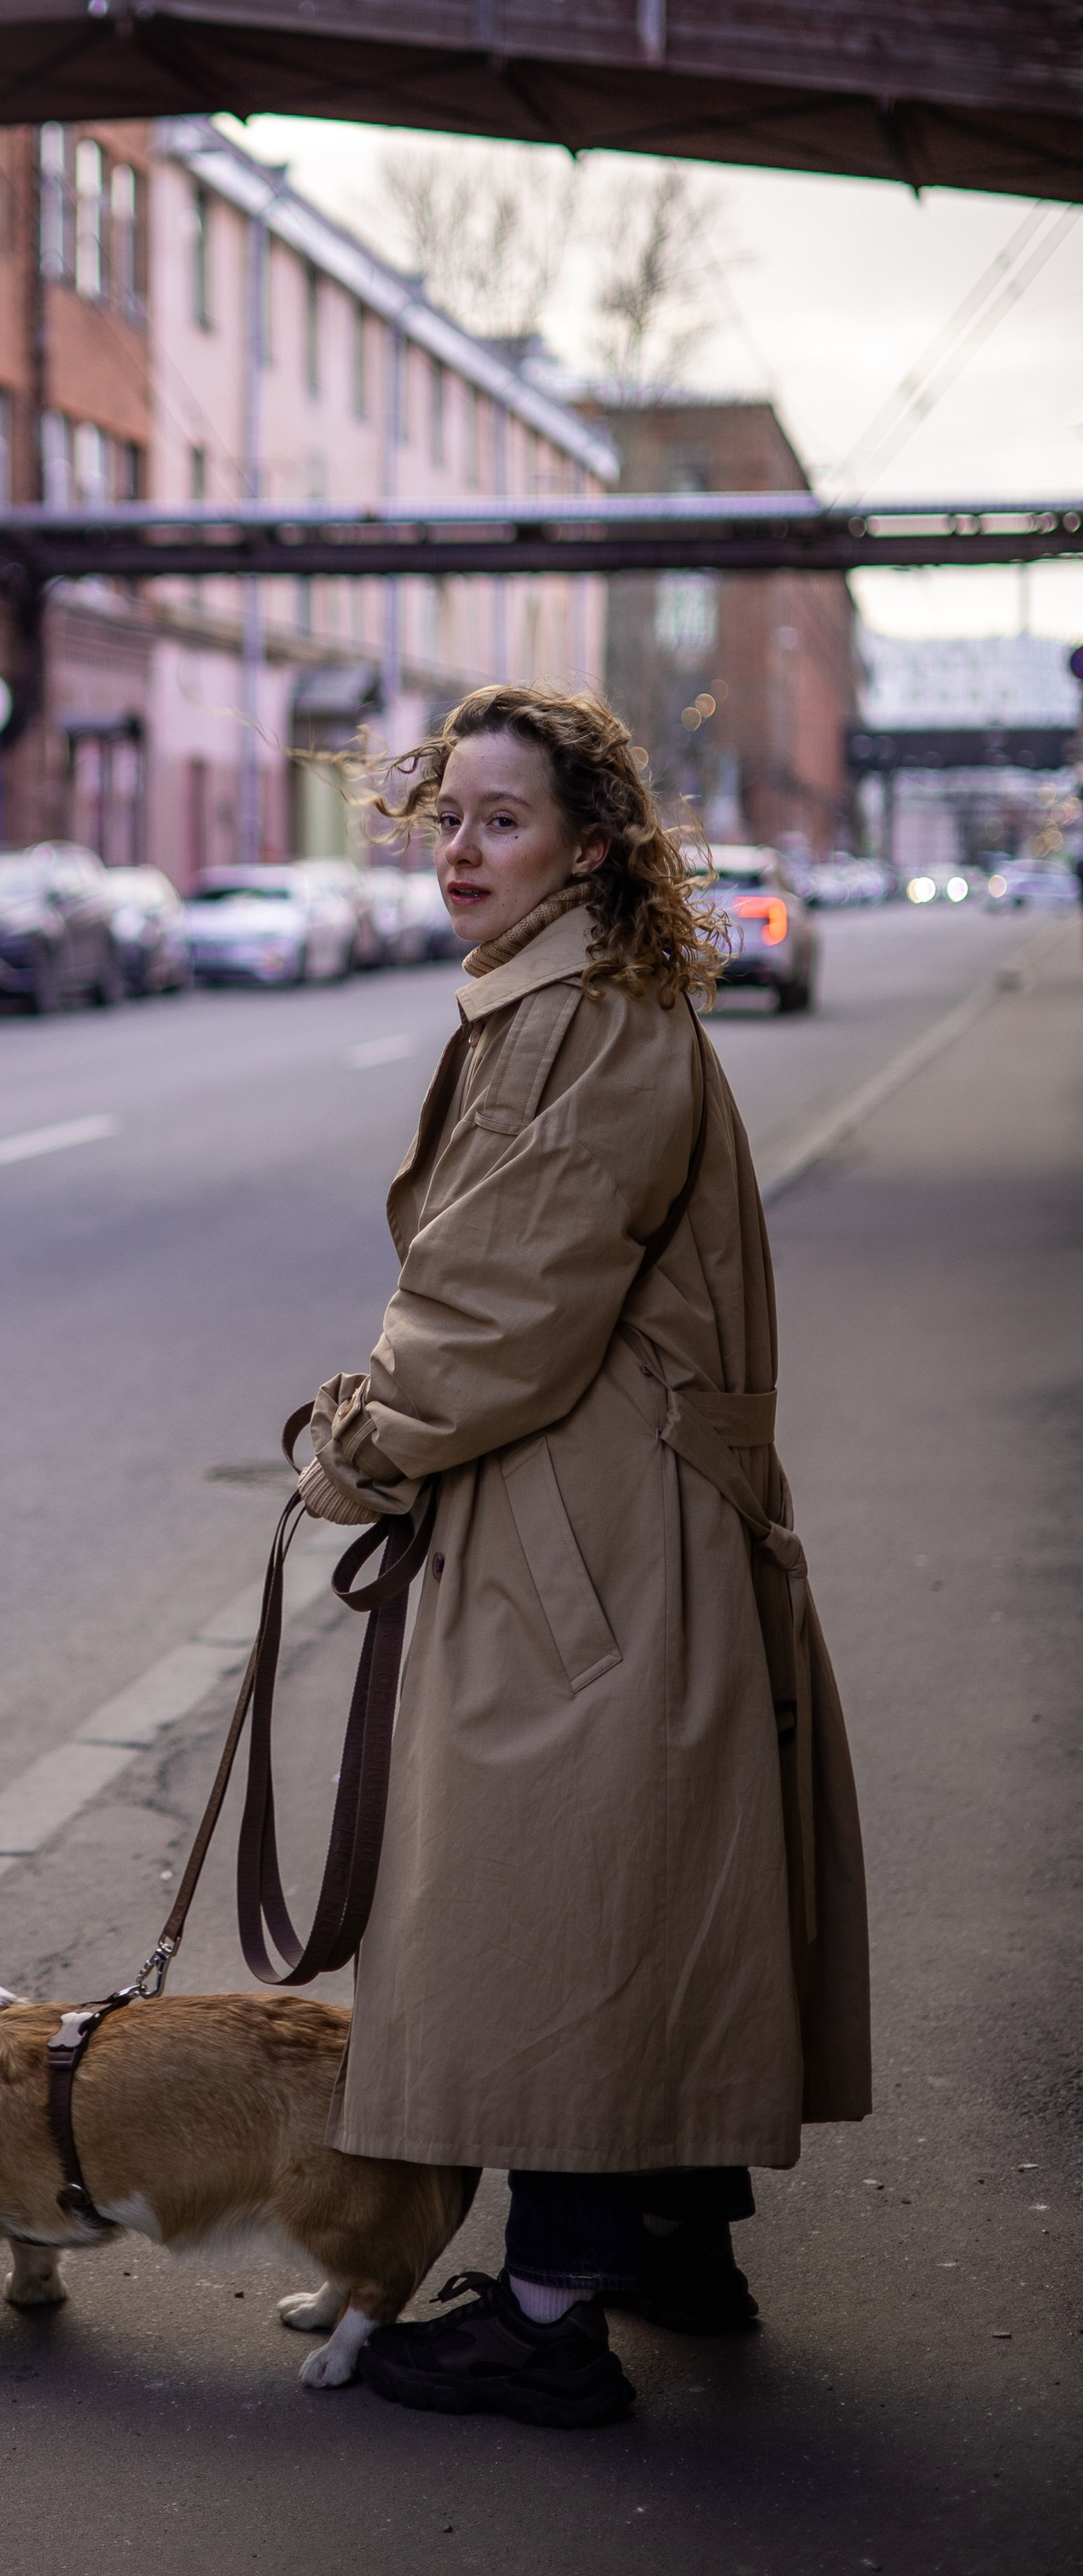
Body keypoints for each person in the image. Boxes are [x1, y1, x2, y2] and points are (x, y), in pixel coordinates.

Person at [297, 686, 869, 2428]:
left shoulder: (574, 1017)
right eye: (445, 817)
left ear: (592, 844)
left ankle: (545, 2313)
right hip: (615, 1522)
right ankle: (674, 2238)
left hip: (588, 1541)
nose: (460, 852)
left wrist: (355, 1446)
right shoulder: (591, 996)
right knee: (641, 1888)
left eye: (499, 821)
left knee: (566, 1908)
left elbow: (493, 1310)